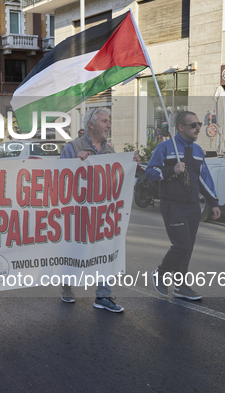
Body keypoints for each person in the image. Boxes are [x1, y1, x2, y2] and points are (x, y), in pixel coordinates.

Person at [59, 107, 140, 312]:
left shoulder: (109, 150)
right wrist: (76, 161)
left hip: (103, 213)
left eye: (109, 120)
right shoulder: (73, 146)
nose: (109, 125)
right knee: (74, 248)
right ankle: (67, 286)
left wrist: (132, 163)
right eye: (104, 121)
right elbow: (59, 177)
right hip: (78, 212)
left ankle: (103, 296)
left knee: (106, 248)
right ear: (91, 124)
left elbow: (117, 177)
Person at [146, 111, 220, 300]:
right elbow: (150, 172)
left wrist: (213, 203)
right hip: (173, 205)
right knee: (182, 245)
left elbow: (204, 179)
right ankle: (161, 273)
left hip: (193, 207)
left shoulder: (197, 151)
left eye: (199, 125)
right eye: (194, 125)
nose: (198, 128)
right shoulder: (165, 147)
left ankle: (181, 287)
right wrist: (172, 169)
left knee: (187, 248)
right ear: (181, 127)